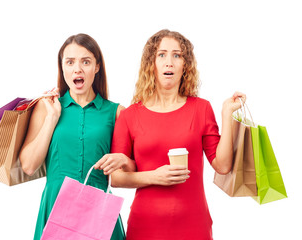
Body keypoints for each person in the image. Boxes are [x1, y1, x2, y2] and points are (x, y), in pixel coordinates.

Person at [95, 29, 246, 240]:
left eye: (177, 55)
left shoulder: (201, 109)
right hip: (145, 227)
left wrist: (227, 114)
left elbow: (222, 165)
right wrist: (155, 177)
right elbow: (117, 178)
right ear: (152, 64)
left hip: (194, 226)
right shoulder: (129, 116)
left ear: (185, 65)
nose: (169, 62)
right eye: (162, 54)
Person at [19, 33, 133, 240]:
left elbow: (133, 168)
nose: (77, 68)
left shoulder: (117, 112)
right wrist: (52, 119)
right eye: (70, 62)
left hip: (99, 212)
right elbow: (28, 166)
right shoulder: (47, 108)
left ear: (97, 67)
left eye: (86, 62)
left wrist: (124, 160)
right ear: (62, 68)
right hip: (55, 207)